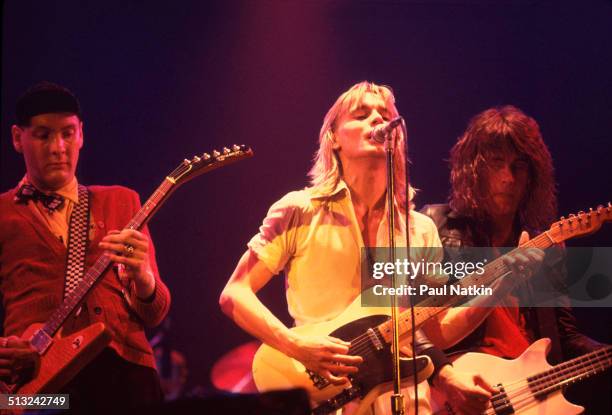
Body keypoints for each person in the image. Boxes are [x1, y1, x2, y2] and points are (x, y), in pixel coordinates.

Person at [219, 82, 539, 414]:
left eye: (385, 114)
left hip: (404, 400)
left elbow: (438, 331)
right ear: (333, 137)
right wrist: (295, 345)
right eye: (361, 114)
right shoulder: (299, 210)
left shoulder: (419, 229)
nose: (377, 119)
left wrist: (502, 286)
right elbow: (235, 294)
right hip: (324, 391)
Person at [421, 105, 606, 414]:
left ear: (532, 175)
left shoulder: (546, 246)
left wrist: (603, 352)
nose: (508, 177)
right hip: (468, 387)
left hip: (527, 395)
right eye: (496, 163)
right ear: (475, 168)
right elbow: (417, 329)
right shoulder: (436, 227)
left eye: (519, 166)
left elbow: (565, 338)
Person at [0, 82, 171, 411]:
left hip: (125, 374)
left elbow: (155, 313)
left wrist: (144, 276)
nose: (58, 147)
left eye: (67, 133)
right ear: (17, 138)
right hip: (38, 387)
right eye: (43, 135)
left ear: (82, 135)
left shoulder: (121, 201)